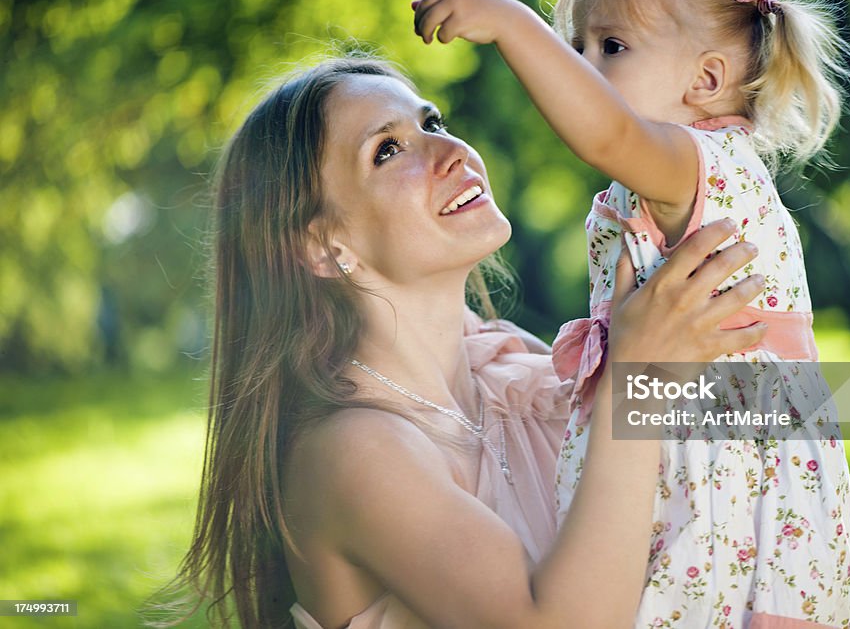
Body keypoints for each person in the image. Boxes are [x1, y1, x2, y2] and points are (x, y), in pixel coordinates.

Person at [153, 54, 766, 629]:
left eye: (433, 122)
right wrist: (639, 380)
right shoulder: (351, 450)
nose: (451, 151)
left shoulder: (508, 368)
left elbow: (796, 416)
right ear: (323, 248)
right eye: (388, 150)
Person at [398, 0, 850, 625]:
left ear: (705, 79)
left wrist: (509, 22)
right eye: (573, 46)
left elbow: (606, 131)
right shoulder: (675, 175)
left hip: (728, 463)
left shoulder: (695, 161)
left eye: (610, 46)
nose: (582, 69)